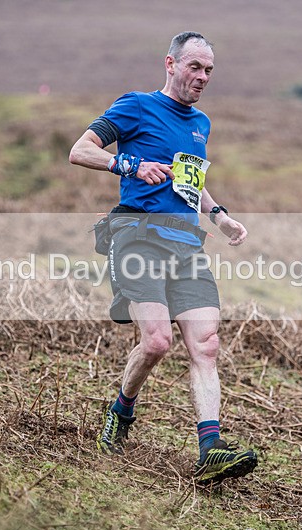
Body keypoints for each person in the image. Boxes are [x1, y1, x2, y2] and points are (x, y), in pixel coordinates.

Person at [68, 31, 257, 484]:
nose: (203, 77)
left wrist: (219, 216)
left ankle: (210, 447)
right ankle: (121, 410)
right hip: (137, 238)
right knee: (156, 343)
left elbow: (190, 181)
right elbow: (80, 150)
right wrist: (128, 165)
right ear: (170, 64)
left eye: (209, 70)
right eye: (195, 67)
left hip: (186, 244)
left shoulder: (201, 124)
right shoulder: (136, 106)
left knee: (206, 345)